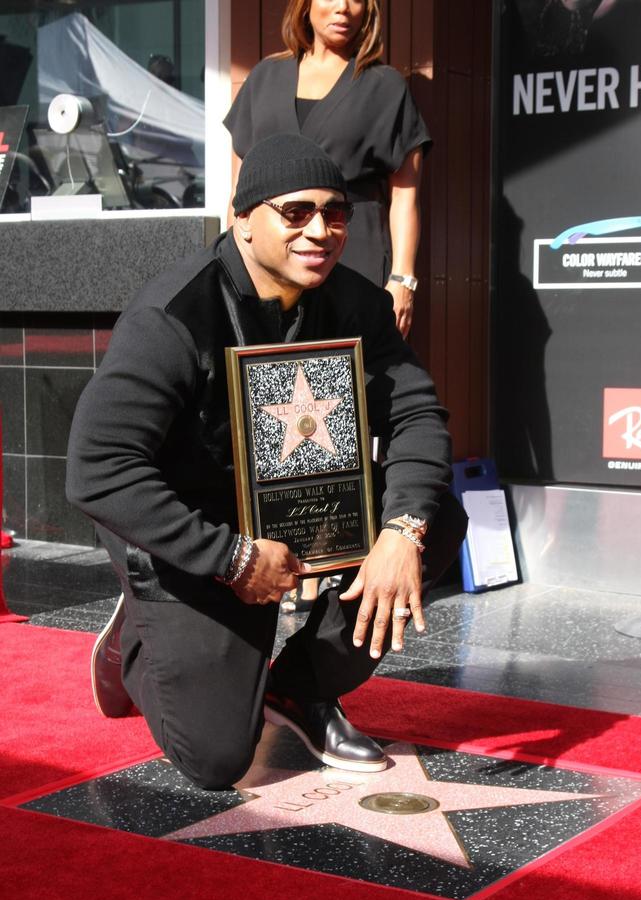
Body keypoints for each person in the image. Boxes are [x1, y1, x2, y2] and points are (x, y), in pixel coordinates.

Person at [66, 134, 466, 791]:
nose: (321, 231)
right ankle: (135, 636)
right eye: (297, 213)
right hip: (188, 522)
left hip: (299, 499)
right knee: (218, 757)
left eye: (335, 214)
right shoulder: (173, 317)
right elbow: (97, 466)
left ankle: (303, 686)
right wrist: (232, 559)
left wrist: (402, 531)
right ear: (244, 221)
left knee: (437, 518)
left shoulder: (356, 304)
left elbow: (417, 415)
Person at [224, 0, 430, 340]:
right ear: (304, 6)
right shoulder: (264, 77)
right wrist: (231, 268)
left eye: (357, 0)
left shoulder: (384, 86)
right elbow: (239, 190)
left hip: (353, 254)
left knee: (353, 378)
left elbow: (406, 197)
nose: (344, 8)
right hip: (269, 261)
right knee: (272, 377)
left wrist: (402, 280)